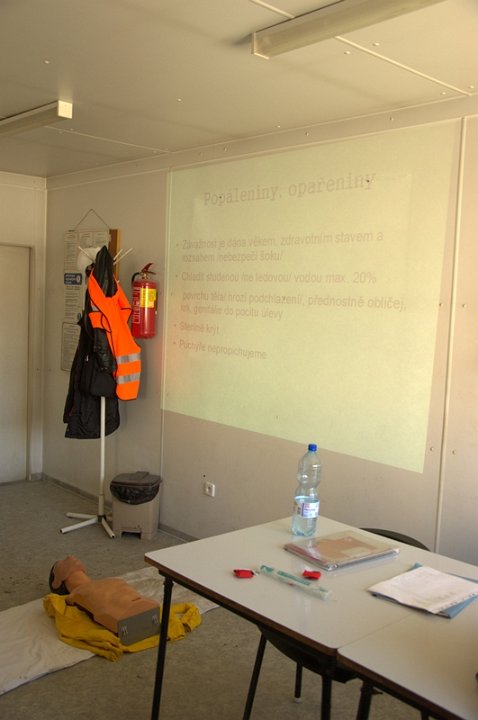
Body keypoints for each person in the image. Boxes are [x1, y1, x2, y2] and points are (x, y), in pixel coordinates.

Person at [49, 555, 159, 638]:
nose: (71, 557)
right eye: (62, 563)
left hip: (142, 608)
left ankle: (139, 611)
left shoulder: (111, 582)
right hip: (124, 616)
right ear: (57, 583)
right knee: (111, 597)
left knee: (120, 592)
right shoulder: (76, 595)